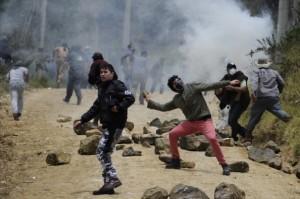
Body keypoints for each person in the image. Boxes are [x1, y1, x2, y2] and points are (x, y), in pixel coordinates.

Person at [144, 75, 241, 175]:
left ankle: (224, 165)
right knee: (173, 134)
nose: (178, 82)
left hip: (205, 121)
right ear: (173, 88)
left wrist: (228, 82)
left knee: (212, 138)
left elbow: (211, 86)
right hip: (191, 123)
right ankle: (176, 161)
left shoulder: (193, 86)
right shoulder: (177, 99)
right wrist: (150, 102)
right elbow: (164, 107)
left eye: (178, 79)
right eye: (175, 82)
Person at [73, 63, 135, 195]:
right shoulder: (102, 89)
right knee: (104, 152)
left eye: (105, 72)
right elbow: (95, 108)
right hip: (108, 126)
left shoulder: (118, 85)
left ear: (112, 73)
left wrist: (118, 107)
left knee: (102, 151)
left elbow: (130, 98)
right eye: (101, 72)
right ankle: (108, 184)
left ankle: (112, 178)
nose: (102, 74)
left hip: (116, 125)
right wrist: (82, 120)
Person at [244, 57, 292, 143]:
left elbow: (254, 83)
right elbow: (282, 83)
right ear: (267, 64)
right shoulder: (275, 72)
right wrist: (279, 91)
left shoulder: (257, 72)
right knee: (278, 110)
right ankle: (289, 120)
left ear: (258, 64)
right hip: (273, 97)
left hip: (261, 98)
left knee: (254, 117)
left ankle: (248, 137)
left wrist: (253, 94)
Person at [215, 63, 250, 141]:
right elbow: (219, 86)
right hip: (233, 102)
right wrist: (219, 88)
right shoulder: (226, 77)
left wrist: (233, 88)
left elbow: (244, 88)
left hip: (242, 101)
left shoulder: (240, 75)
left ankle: (246, 134)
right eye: (230, 68)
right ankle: (234, 137)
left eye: (232, 68)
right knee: (231, 120)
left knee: (231, 120)